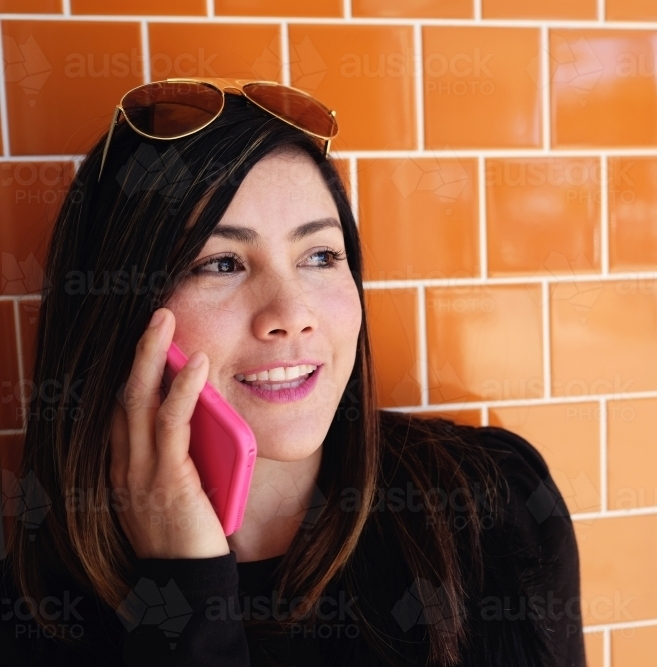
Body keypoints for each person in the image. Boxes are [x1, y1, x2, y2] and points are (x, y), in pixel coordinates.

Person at [0, 78, 586, 667]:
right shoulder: (32, 603)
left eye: (321, 256)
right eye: (221, 263)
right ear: (118, 310)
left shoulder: (496, 500)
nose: (291, 316)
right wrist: (185, 593)